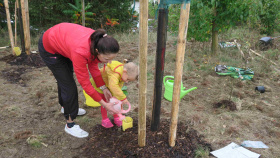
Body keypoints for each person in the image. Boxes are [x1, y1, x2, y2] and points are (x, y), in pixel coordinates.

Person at [38, 22, 119, 138]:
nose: (108, 62)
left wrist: (104, 87)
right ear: (97, 51)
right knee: (68, 85)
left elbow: (93, 67)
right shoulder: (81, 52)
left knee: (66, 78)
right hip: (49, 47)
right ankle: (70, 125)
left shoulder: (98, 42)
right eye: (106, 58)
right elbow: (85, 84)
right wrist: (104, 104)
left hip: (64, 43)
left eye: (112, 59)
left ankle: (65, 107)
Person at [88, 60, 138, 128]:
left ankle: (116, 116)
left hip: (109, 86)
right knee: (105, 102)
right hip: (100, 85)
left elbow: (116, 86)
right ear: (125, 72)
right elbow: (113, 86)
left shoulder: (123, 73)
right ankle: (105, 119)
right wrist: (123, 98)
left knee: (115, 101)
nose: (127, 81)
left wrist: (118, 96)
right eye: (128, 79)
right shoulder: (116, 73)